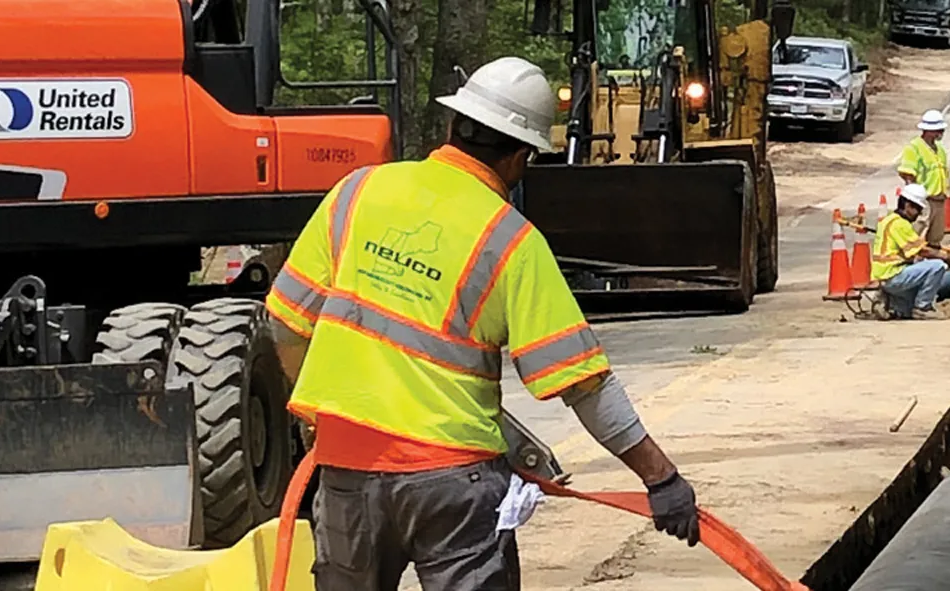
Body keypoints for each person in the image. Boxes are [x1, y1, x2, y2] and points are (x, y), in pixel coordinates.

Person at [264, 56, 700, 591]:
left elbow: (285, 323)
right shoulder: (512, 242)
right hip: (453, 485)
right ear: (521, 159)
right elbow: (583, 385)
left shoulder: (356, 193)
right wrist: (661, 479)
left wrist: (318, 419)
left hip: (347, 472)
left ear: (452, 125)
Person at [873, 184, 950, 319]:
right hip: (892, 275)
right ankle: (923, 308)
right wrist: (946, 257)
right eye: (917, 209)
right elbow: (922, 251)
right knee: (937, 266)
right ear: (907, 206)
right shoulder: (900, 224)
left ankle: (888, 301)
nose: (918, 214)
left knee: (906, 310)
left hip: (885, 275)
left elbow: (916, 250)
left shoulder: (889, 220)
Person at [898, 110, 950, 245]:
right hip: (924, 201)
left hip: (939, 199)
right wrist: (914, 200)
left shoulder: (940, 150)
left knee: (936, 236)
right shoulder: (914, 148)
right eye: (937, 130)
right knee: (916, 235)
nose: (940, 133)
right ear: (927, 130)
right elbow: (908, 174)